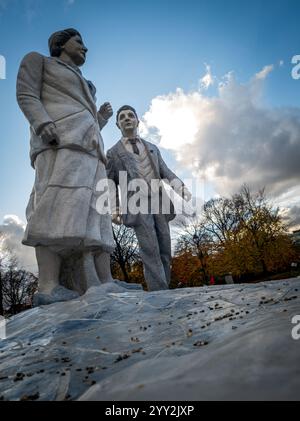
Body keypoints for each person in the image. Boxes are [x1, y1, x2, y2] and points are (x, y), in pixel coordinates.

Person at [16, 28, 115, 304]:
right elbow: (26, 94)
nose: (85, 48)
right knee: (52, 205)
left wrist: (101, 119)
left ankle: (101, 280)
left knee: (95, 213)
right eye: (79, 42)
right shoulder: (39, 61)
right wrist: (42, 123)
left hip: (91, 150)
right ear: (60, 44)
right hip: (57, 142)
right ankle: (48, 286)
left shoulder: (85, 81)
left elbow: (84, 117)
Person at [106, 105, 191, 291]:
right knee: (150, 250)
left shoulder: (152, 148)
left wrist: (180, 188)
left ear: (138, 121)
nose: (127, 118)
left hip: (159, 201)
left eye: (130, 115)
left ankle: (164, 287)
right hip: (136, 204)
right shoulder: (112, 153)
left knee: (165, 250)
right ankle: (160, 293)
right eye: (122, 117)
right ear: (117, 124)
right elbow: (110, 182)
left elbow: (164, 171)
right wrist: (115, 208)